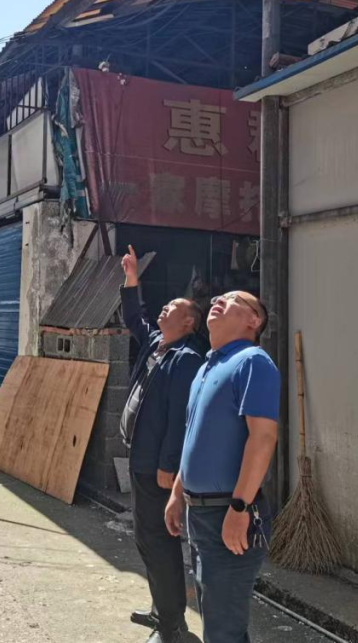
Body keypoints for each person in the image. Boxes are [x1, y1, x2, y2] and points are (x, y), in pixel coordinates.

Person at [165, 291, 279, 643]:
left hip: (229, 512)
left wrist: (240, 506)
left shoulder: (252, 362)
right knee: (217, 620)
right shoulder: (207, 367)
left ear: (254, 320)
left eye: (232, 299)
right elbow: (194, 436)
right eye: (218, 297)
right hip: (200, 514)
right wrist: (178, 493)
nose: (218, 299)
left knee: (222, 629)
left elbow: (262, 438)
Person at [120, 245, 206, 643]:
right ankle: (162, 609)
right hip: (140, 458)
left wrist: (168, 465)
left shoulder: (187, 359)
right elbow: (133, 318)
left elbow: (179, 419)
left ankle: (172, 626)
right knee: (146, 539)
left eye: (171, 307)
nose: (163, 309)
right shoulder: (156, 343)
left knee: (159, 542)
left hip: (157, 465)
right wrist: (131, 279)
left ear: (188, 321)